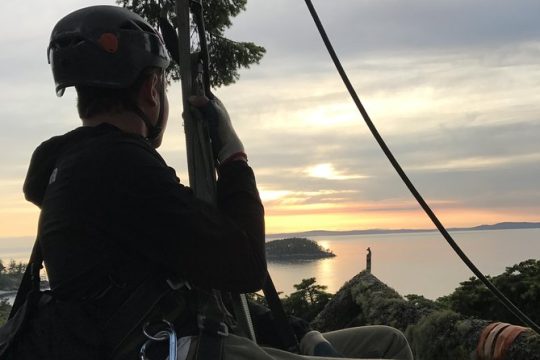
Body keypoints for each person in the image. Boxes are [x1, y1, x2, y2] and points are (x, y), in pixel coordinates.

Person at [18, 5, 413, 360]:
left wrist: (299, 331)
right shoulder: (120, 165)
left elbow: (195, 280)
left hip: (152, 338)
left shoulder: (70, 168)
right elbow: (244, 267)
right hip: (169, 346)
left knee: (385, 341)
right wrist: (234, 157)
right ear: (150, 90)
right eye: (161, 84)